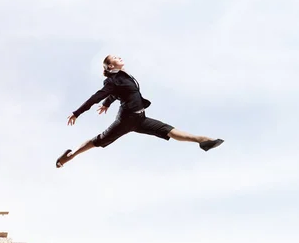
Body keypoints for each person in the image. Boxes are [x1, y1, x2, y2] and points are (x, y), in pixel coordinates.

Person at [56, 55, 224, 168]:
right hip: (126, 120)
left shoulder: (121, 76)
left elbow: (120, 93)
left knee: (169, 131)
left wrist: (108, 103)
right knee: (99, 140)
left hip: (140, 118)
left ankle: (203, 141)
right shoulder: (111, 81)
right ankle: (70, 156)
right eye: (116, 58)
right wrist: (77, 113)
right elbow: (96, 97)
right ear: (111, 65)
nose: (120, 58)